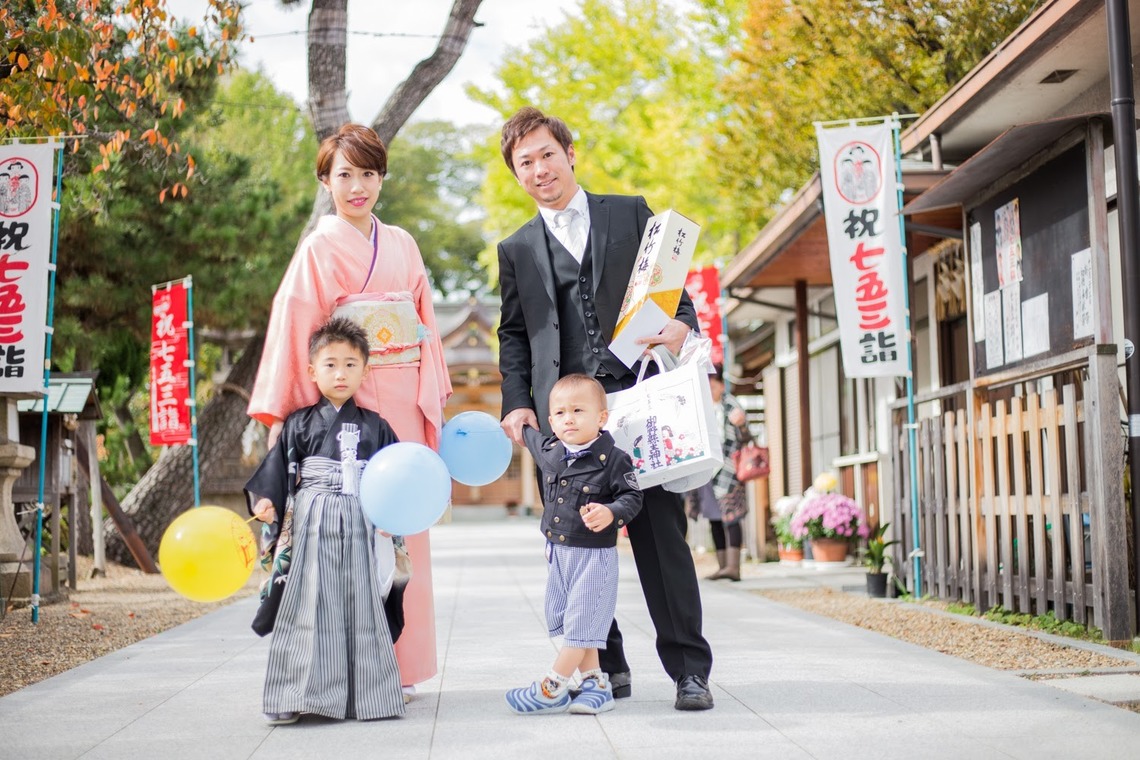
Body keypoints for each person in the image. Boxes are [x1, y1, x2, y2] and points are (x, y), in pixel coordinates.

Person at [497, 106, 715, 711]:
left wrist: (681, 329)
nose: (539, 169)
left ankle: (689, 671)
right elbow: (513, 334)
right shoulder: (515, 248)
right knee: (579, 544)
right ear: (517, 175)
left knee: (661, 537)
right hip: (568, 419)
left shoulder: (628, 212)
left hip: (641, 399)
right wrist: (518, 403)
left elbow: (670, 286)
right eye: (525, 163)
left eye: (547, 154)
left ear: (570, 153)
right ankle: (605, 666)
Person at [248, 123, 452, 696]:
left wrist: (429, 390)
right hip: (350, 402)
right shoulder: (318, 247)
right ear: (325, 181)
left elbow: (425, 327)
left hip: (404, 402)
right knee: (346, 534)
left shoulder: (404, 243)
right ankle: (347, 665)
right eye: (345, 175)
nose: (357, 186)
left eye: (368, 174)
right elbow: (297, 327)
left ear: (382, 177)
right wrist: (290, 413)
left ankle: (403, 667)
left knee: (403, 531)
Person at [246, 318, 404, 725]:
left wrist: (392, 515)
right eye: (330, 364)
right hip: (312, 516)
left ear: (366, 371)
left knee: (363, 602)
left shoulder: (378, 426)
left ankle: (368, 696)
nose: (341, 374)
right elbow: (278, 471)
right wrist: (267, 500)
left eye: (351, 365)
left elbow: (398, 475)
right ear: (312, 371)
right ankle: (295, 693)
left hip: (362, 519)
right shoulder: (298, 423)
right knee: (306, 603)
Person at [506, 374, 643, 715]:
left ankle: (552, 687)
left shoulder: (613, 459)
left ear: (601, 416)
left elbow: (632, 496)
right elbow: (528, 433)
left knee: (582, 625)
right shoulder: (551, 451)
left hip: (593, 557)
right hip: (558, 554)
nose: (569, 418)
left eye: (578, 410)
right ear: (551, 420)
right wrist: (518, 422)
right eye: (561, 413)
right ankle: (597, 686)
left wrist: (611, 512)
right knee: (572, 619)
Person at [687, 365, 752, 582]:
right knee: (714, 517)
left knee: (731, 516)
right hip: (707, 470)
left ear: (721, 385)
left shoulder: (731, 406)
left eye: (712, 385)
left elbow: (746, 438)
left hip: (728, 470)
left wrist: (741, 425)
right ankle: (722, 566)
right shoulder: (701, 407)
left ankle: (734, 567)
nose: (709, 389)